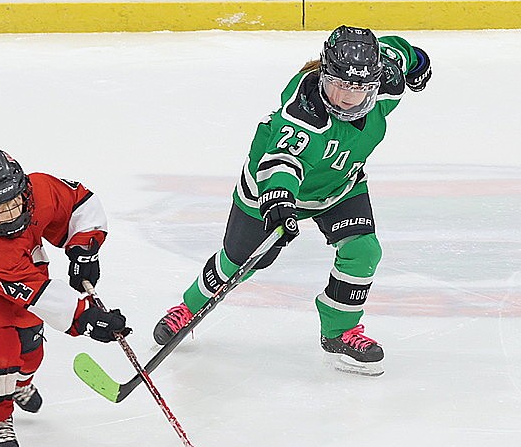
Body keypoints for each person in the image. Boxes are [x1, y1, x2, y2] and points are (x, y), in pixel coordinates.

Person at [152, 25, 432, 376]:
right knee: (240, 261)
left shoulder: (387, 81)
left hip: (340, 186)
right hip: (272, 189)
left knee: (364, 250)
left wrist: (418, 61)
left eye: (358, 87)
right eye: (339, 84)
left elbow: (396, 49)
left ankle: (340, 331)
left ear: (375, 82)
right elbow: (282, 161)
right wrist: (279, 203)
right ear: (323, 73)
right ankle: (188, 309)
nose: (347, 97)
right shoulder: (304, 114)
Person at [0, 148, 130, 447]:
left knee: (31, 354)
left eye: (15, 203)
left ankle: (19, 383)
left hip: (24, 273)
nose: (11, 215)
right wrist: (87, 318)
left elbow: (79, 203)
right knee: (1, 351)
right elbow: (39, 295)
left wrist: (85, 249)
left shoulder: (39, 189)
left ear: (23, 190)